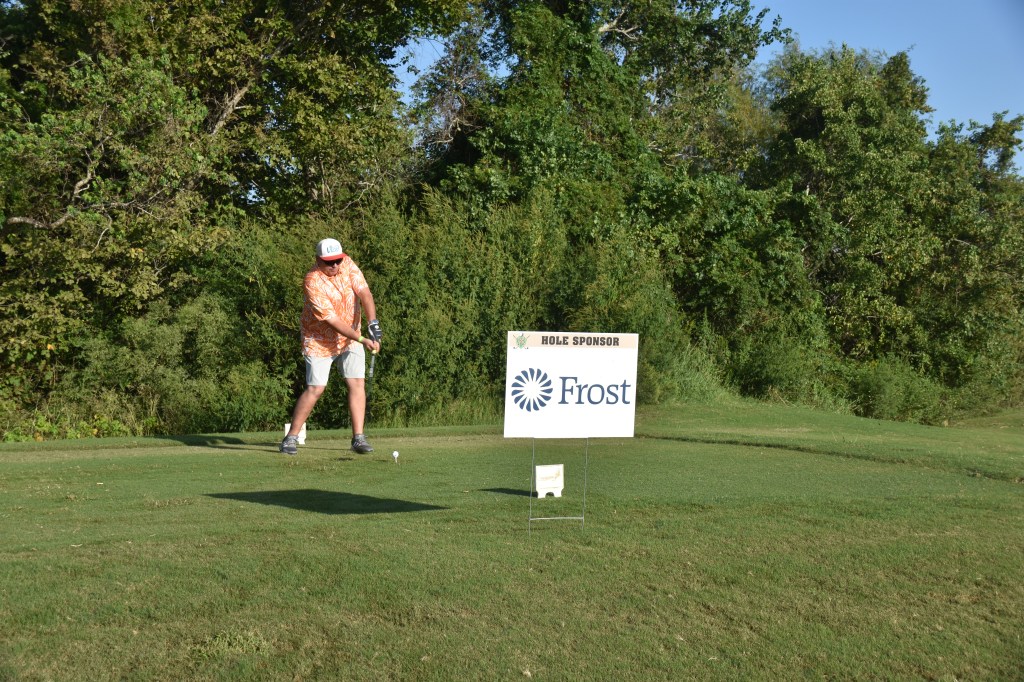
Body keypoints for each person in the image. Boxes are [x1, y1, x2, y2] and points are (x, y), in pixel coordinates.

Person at [280, 238, 382, 456]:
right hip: (319, 340)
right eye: (329, 262)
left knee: (356, 382)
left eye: (337, 260)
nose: (335, 265)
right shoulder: (312, 280)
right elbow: (332, 321)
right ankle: (291, 438)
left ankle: (358, 438)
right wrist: (362, 339)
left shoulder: (348, 264)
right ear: (318, 260)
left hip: (351, 338)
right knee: (316, 388)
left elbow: (365, 293)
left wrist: (373, 324)